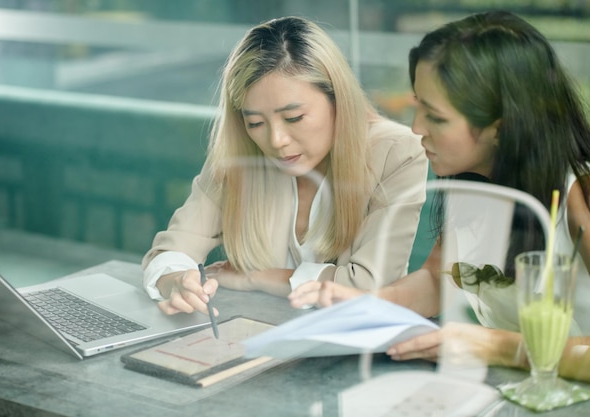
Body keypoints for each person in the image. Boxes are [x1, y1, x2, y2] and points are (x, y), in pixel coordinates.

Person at [289, 11, 590, 382]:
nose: (416, 129)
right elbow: (437, 279)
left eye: (436, 117)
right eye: (417, 106)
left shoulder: (581, 197)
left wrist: (495, 346)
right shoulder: (478, 182)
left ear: (502, 127)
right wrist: (367, 305)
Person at [142, 16, 428, 317]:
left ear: (337, 99)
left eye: (293, 118)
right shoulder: (241, 153)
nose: (276, 141)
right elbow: (170, 251)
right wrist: (177, 281)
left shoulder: (397, 153)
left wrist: (258, 278)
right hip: (253, 335)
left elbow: (369, 288)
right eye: (255, 122)